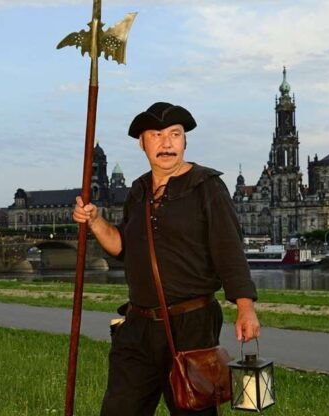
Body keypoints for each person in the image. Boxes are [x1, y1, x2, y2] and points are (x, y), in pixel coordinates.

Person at [73, 102, 260, 416]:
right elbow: (121, 247)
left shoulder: (207, 187)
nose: (167, 142)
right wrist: (94, 221)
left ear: (184, 142)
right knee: (119, 409)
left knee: (193, 409)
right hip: (138, 324)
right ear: (142, 143)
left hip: (191, 323)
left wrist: (246, 308)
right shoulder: (138, 191)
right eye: (156, 135)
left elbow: (229, 251)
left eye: (175, 134)